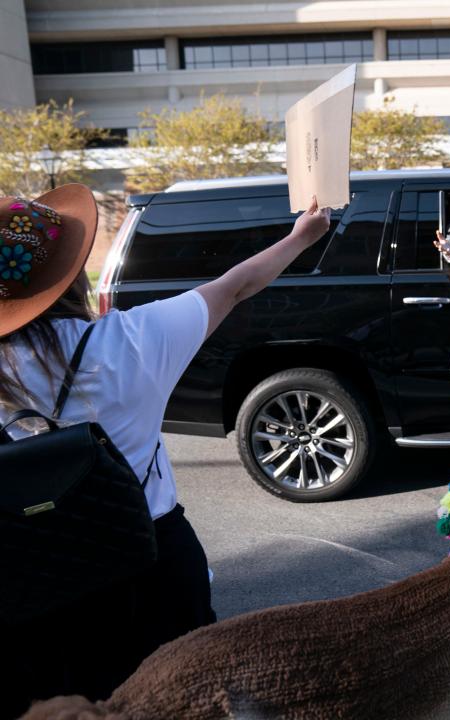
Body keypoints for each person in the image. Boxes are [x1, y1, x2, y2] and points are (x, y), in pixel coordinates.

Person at [0, 184, 331, 717]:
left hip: (41, 581)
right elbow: (236, 286)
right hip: (152, 566)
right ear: (71, 277)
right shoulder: (132, 339)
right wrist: (302, 236)